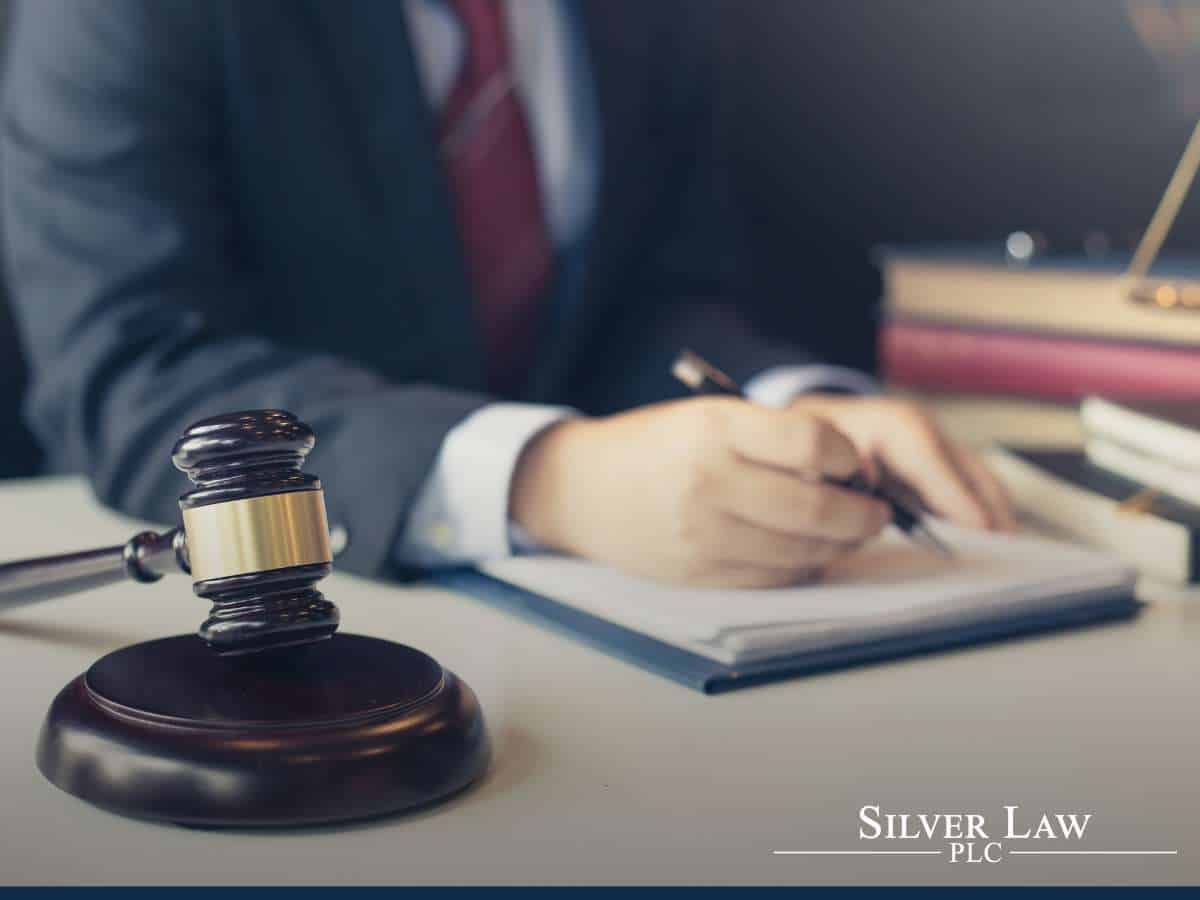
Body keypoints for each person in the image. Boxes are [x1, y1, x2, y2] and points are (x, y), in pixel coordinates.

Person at [2, 0, 1013, 589]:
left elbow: (656, 297)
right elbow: (131, 369)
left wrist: (791, 408)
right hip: (258, 625)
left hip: (622, 648)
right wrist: (545, 481)